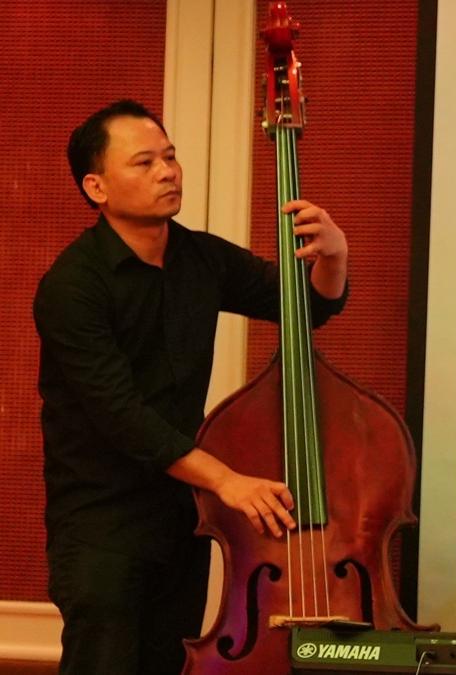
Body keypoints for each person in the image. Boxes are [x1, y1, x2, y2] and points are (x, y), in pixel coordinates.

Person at [33, 99, 349, 674]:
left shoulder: (199, 257)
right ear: (96, 187)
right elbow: (121, 415)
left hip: (183, 516)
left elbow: (307, 306)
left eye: (170, 157)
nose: (168, 172)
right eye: (145, 162)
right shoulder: (72, 286)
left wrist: (332, 256)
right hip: (100, 522)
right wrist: (228, 481)